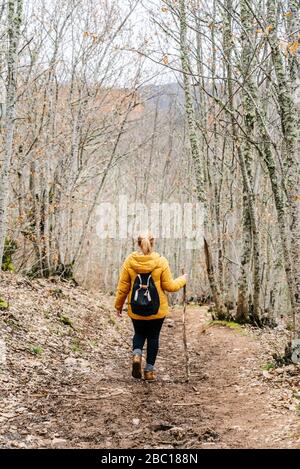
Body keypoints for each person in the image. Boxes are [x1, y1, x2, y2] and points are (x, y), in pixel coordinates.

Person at [115, 231, 187, 381]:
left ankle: (136, 354)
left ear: (138, 244)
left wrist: (118, 305)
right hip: (157, 309)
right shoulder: (161, 261)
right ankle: (149, 372)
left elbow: (123, 286)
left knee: (139, 333)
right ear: (153, 243)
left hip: (136, 309)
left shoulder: (130, 261)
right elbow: (170, 286)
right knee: (153, 337)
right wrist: (182, 280)